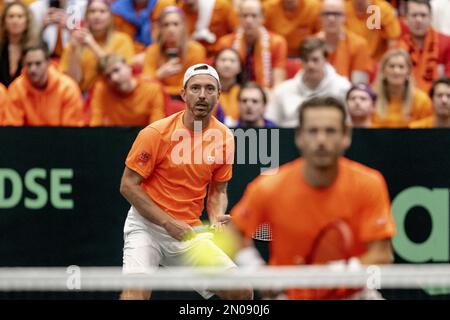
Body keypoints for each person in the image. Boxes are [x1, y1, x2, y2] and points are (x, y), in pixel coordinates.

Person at [230, 96, 396, 300]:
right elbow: (234, 233)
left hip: (353, 294)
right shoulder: (269, 187)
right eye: (313, 131)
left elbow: (382, 255)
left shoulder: (369, 183)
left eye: (330, 131)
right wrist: (256, 271)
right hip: (289, 295)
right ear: (299, 136)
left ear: (346, 136)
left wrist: (337, 273)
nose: (321, 140)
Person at [119, 63, 253, 300]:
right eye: (196, 88)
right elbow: (128, 185)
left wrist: (217, 216)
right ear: (183, 94)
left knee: (241, 292)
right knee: (134, 296)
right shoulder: (155, 133)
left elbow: (218, 191)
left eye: (210, 89)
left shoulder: (224, 137)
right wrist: (167, 222)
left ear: (219, 95)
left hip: (189, 233)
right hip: (146, 226)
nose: (202, 95)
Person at [265, 37, 351, 128]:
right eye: (306, 60)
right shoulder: (282, 91)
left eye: (315, 60)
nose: (310, 65)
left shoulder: (343, 88)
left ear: (325, 60)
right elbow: (270, 125)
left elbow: (348, 125)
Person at [59, 0, 135, 93]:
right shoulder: (76, 42)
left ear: (111, 16)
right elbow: (73, 82)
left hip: (114, 92)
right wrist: (74, 50)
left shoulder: (122, 40)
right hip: (84, 95)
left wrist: (92, 45)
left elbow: (119, 73)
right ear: (86, 17)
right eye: (92, 11)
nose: (97, 16)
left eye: (102, 11)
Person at [4, 42, 84, 126]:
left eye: (38, 63)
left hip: (60, 138)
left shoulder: (67, 89)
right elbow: (12, 128)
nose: (33, 69)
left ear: (48, 63)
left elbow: (71, 131)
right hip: (26, 138)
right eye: (29, 64)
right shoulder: (16, 89)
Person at [216, 0, 287, 89]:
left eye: (254, 16)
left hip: (265, 94)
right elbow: (219, 81)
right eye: (245, 16)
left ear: (263, 18)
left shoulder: (277, 42)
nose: (249, 20)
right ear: (238, 18)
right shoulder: (225, 43)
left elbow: (278, 83)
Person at [142, 6, 206, 98]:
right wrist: (159, 74)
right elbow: (145, 82)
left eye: (175, 24)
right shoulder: (152, 50)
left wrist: (163, 89)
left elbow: (194, 84)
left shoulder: (196, 50)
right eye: (166, 25)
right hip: (158, 97)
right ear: (160, 29)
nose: (171, 29)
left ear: (183, 27)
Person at [89, 53, 165, 126]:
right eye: (108, 76)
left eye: (116, 70)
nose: (114, 78)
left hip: (144, 137)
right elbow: (96, 123)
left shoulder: (152, 89)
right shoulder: (101, 89)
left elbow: (156, 128)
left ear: (128, 67)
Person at [399, 0, 450, 93]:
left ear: (431, 18)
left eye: (423, 15)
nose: (419, 20)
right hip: (407, 99)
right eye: (414, 15)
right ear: (405, 19)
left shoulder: (446, 43)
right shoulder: (398, 47)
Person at [372, 49, 432, 128]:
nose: (396, 71)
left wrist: (409, 127)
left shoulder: (421, 100)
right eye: (391, 66)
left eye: (401, 67)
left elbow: (431, 122)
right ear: (383, 71)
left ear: (408, 72)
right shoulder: (372, 98)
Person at [317, 0, 372, 84]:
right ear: (320, 17)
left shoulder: (359, 44)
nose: (331, 18)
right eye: (327, 13)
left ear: (344, 17)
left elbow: (359, 86)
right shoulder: (312, 44)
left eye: (336, 14)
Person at [0, 1, 37, 87]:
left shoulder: (35, 48)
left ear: (27, 21)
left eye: (20, 16)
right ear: (4, 21)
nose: (15, 21)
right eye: (11, 16)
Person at [214, 47, 244, 123]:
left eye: (232, 61)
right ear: (215, 65)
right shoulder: (207, 92)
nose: (227, 65)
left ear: (240, 67)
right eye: (223, 60)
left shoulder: (245, 92)